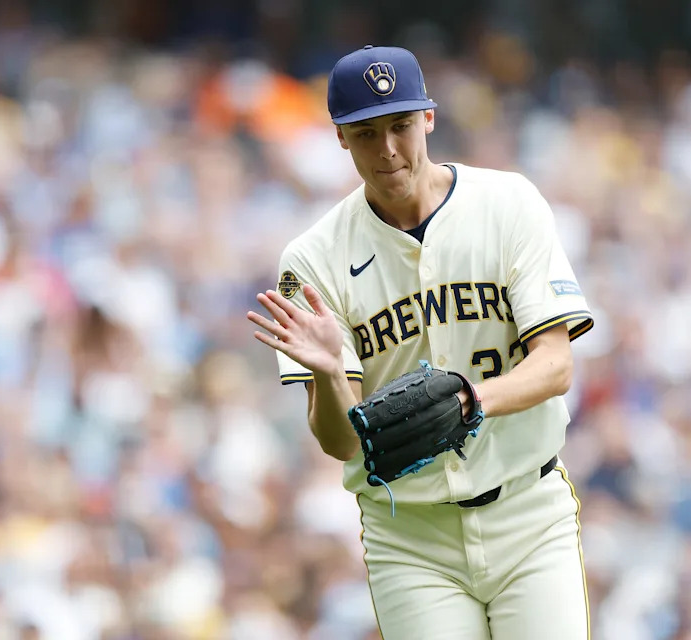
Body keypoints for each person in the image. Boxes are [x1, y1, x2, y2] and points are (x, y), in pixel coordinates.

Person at [247, 44, 594, 639]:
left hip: (529, 511)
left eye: (401, 125)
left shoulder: (507, 204)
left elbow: (556, 366)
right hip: (411, 537)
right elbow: (339, 443)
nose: (387, 148)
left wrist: (473, 400)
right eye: (366, 132)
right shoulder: (313, 259)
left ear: (428, 118)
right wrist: (330, 375)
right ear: (339, 137)